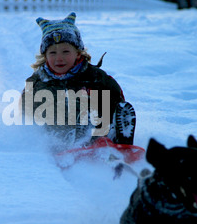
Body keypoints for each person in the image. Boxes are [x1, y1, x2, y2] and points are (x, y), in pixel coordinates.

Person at [21, 12, 136, 149]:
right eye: (52, 53)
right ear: (45, 56)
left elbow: (115, 95)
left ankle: (116, 136)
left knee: (101, 104)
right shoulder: (38, 82)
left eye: (66, 52)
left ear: (78, 52)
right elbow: (25, 111)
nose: (59, 58)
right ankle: (73, 140)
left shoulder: (95, 77)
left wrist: (117, 110)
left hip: (95, 127)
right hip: (57, 135)